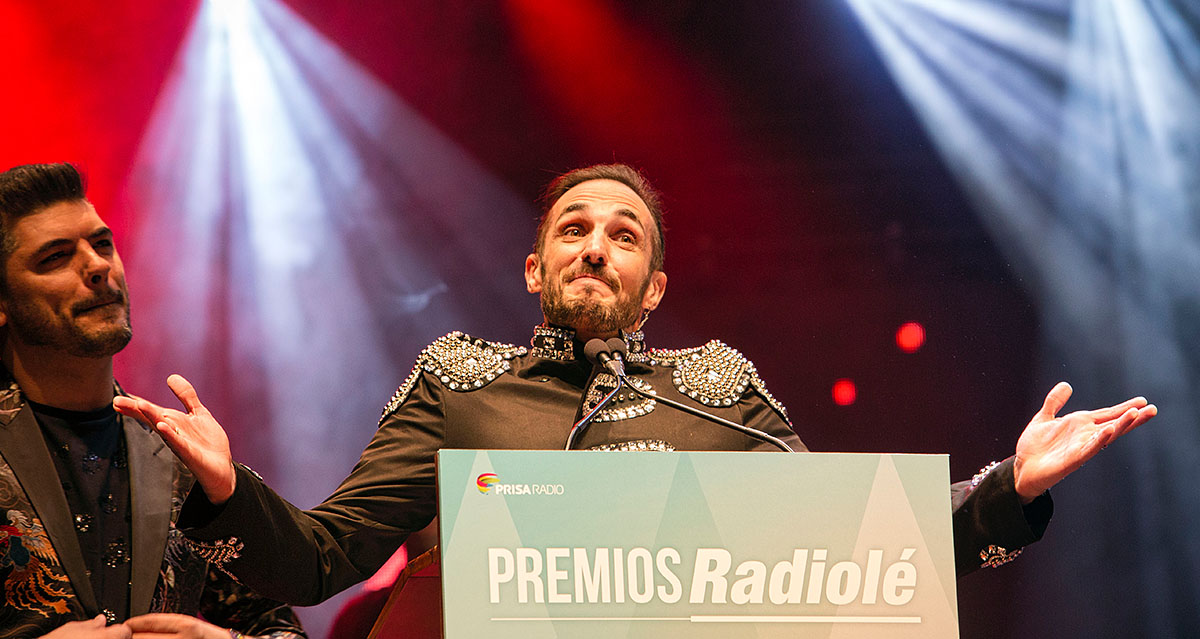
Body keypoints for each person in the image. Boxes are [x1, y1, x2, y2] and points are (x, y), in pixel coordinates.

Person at [115, 164, 1156, 607]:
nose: (595, 246)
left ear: (654, 285)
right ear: (536, 268)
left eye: (624, 236)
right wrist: (229, 489)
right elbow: (320, 560)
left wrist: (1009, 487)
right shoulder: (460, 378)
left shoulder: (717, 383)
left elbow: (849, 549)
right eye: (574, 229)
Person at [0, 164, 306, 639]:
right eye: (56, 257)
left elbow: (277, 626)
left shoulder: (181, 457)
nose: (98, 266)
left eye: (102, 244)